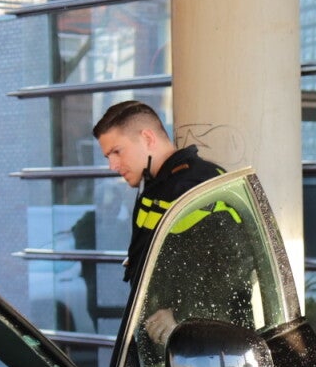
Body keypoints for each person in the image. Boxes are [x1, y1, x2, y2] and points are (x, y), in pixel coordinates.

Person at [92, 101, 225, 287]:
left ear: (147, 138)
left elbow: (222, 277)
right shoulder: (156, 187)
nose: (112, 166)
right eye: (108, 157)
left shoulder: (192, 186)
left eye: (117, 152)